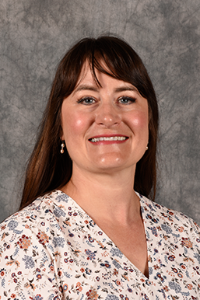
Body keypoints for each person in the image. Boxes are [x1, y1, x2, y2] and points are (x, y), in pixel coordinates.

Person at [0, 36, 199, 300]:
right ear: (59, 126)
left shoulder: (188, 236)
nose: (108, 116)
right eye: (87, 99)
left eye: (126, 99)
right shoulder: (24, 240)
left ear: (148, 121)